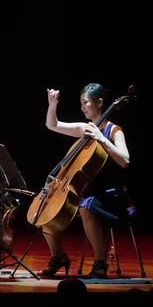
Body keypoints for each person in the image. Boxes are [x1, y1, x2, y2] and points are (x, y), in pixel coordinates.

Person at [39, 83, 130, 278]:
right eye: (80, 103)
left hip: (111, 195)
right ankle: (58, 256)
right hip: (87, 191)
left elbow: (125, 160)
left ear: (99, 103)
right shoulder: (85, 128)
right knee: (44, 210)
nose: (82, 107)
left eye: (85, 102)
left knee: (86, 206)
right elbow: (52, 125)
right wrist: (52, 104)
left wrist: (102, 139)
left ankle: (99, 263)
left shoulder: (114, 131)